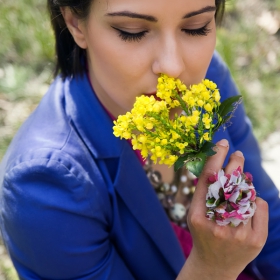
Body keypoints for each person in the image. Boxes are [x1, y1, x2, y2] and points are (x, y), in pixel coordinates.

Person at [0, 0, 276, 278]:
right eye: (132, 31)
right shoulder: (44, 185)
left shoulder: (206, 78)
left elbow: (269, 215)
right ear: (75, 23)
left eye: (195, 27)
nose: (172, 67)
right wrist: (213, 268)